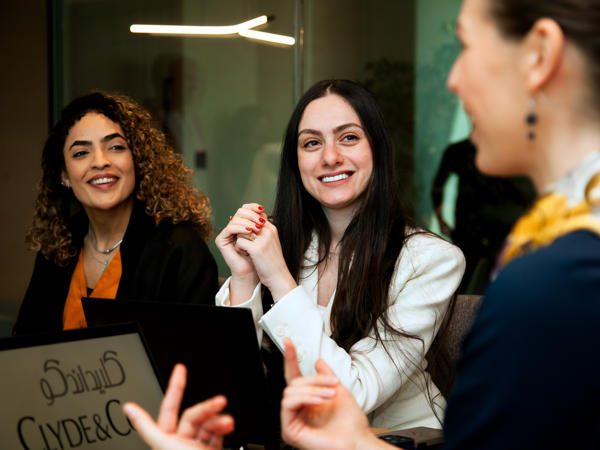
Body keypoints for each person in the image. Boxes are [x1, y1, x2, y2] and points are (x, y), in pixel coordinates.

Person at [215, 79, 465, 430]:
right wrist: (243, 277)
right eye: (312, 143)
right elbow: (233, 388)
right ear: (296, 162)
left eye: (348, 137)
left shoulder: (431, 260)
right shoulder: (279, 244)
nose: (330, 157)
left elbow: (352, 395)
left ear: (377, 148)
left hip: (396, 441)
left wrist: (277, 277)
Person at [14, 92, 219, 335]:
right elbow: (25, 345)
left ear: (137, 161)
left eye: (116, 147)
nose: (100, 161)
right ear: (64, 175)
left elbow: (198, 353)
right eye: (81, 153)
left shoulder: (179, 249)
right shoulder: (57, 249)